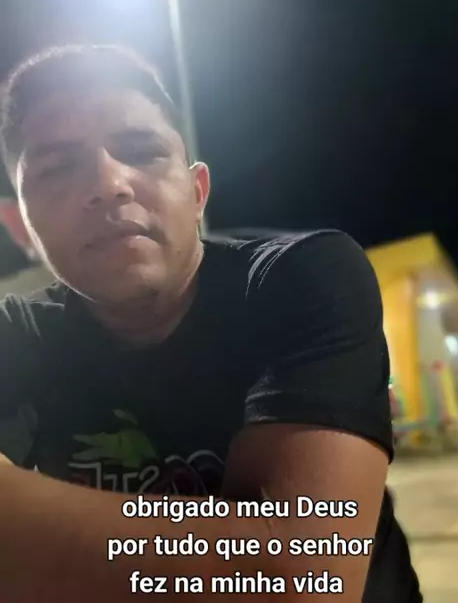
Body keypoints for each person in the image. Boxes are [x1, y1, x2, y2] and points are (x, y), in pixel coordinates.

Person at [0, 44, 421, 602]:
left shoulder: (298, 278)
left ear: (197, 191)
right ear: (20, 226)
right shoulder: (17, 336)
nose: (108, 183)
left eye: (142, 151)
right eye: (57, 168)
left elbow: (300, 575)